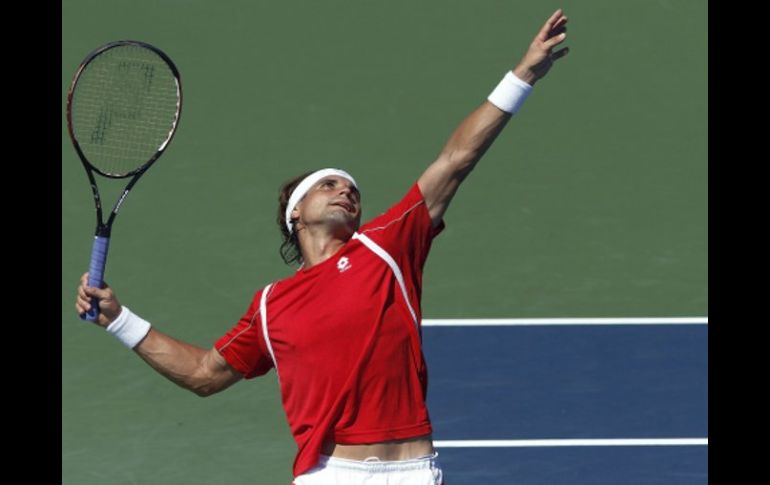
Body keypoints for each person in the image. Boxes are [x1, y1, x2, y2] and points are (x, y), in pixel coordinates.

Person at [75, 9, 569, 485]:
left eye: (352, 189)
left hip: (414, 471)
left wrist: (522, 75)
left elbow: (457, 159)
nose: (346, 191)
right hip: (331, 474)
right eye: (328, 184)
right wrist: (118, 319)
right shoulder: (271, 306)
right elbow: (206, 373)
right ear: (296, 212)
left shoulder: (387, 247)